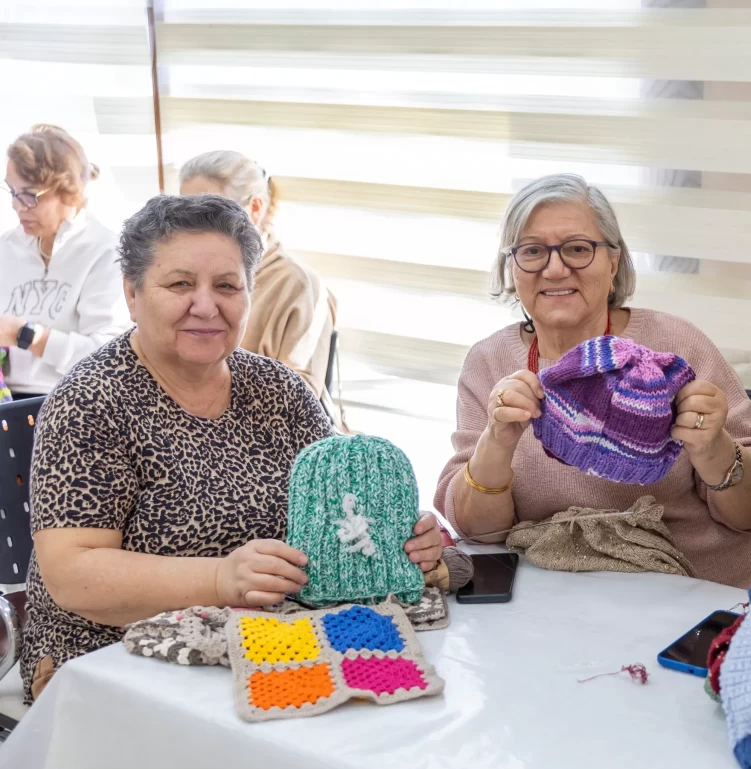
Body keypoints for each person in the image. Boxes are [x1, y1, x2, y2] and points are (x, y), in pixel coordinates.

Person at [19, 194, 443, 704]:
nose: (206, 305)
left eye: (227, 286)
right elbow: (73, 576)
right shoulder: (90, 401)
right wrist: (221, 577)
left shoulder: (280, 392)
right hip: (110, 662)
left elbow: (340, 509)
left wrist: (400, 539)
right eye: (179, 284)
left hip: (269, 642)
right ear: (132, 294)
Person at [435, 174, 751, 589]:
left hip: (700, 595)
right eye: (532, 251)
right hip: (556, 599)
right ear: (512, 268)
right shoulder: (489, 362)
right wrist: (497, 440)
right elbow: (481, 534)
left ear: (614, 262)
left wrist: (715, 451)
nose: (554, 268)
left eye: (578, 249)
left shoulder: (675, 348)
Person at [178, 150, 339, 421]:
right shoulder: (175, 274)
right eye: (183, 213)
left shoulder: (298, 285)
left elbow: (298, 406)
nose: (191, 228)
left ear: (254, 209)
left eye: (208, 214)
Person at [0, 124, 129, 396]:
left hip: (75, 403)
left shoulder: (106, 251)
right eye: (12, 191)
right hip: (6, 400)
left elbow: (109, 358)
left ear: (69, 191)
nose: (16, 205)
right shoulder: (6, 247)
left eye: (29, 195)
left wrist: (25, 334)